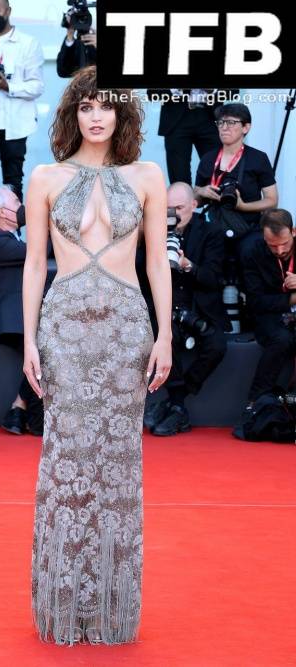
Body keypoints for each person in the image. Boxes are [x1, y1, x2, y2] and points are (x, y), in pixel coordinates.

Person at [22, 66, 172, 645]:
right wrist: (30, 338)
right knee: (64, 465)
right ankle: (62, 605)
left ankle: (109, 606)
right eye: (86, 107)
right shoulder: (45, 177)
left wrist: (162, 334)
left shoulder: (148, 175)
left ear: (122, 114)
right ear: (73, 114)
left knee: (116, 468)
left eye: (106, 106)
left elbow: (156, 261)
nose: (97, 116)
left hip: (125, 328)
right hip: (63, 326)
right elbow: (36, 263)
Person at [144, 183, 228, 436]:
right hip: (165, 309)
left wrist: (187, 264)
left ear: (194, 205)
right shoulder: (154, 230)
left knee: (217, 346)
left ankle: (176, 401)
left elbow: (214, 278)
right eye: (168, 208)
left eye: (179, 207)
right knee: (169, 342)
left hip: (200, 308)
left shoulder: (211, 232)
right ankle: (177, 409)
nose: (174, 214)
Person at [0, 185, 41, 436]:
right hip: (10, 319)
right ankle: (21, 408)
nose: (23, 207)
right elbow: (37, 253)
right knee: (49, 346)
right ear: (2, 211)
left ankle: (19, 408)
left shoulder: (6, 238)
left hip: (23, 317)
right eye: (17, 202)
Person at [0, 0, 44, 201]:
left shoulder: (28, 43)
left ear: (8, 11)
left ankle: (13, 231)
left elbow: (37, 86)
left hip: (16, 124)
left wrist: (8, 86)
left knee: (13, 181)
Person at [194, 103, 278, 254]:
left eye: (231, 122)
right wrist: (202, 192)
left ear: (246, 128)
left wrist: (243, 206)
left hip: (249, 228)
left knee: (249, 253)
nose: (224, 127)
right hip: (215, 227)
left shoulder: (258, 158)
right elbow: (196, 201)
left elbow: (272, 200)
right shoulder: (208, 159)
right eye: (221, 122)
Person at [239, 209, 296, 413]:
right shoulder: (251, 252)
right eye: (273, 245)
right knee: (281, 339)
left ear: (293, 232)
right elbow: (256, 301)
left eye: (284, 244)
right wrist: (290, 298)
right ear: (264, 237)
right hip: (269, 316)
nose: (280, 250)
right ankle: (256, 402)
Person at [147, 88, 235, 186]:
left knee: (219, 176)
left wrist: (212, 90)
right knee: (179, 179)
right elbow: (152, 94)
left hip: (210, 120)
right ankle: (184, 200)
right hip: (176, 123)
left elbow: (233, 91)